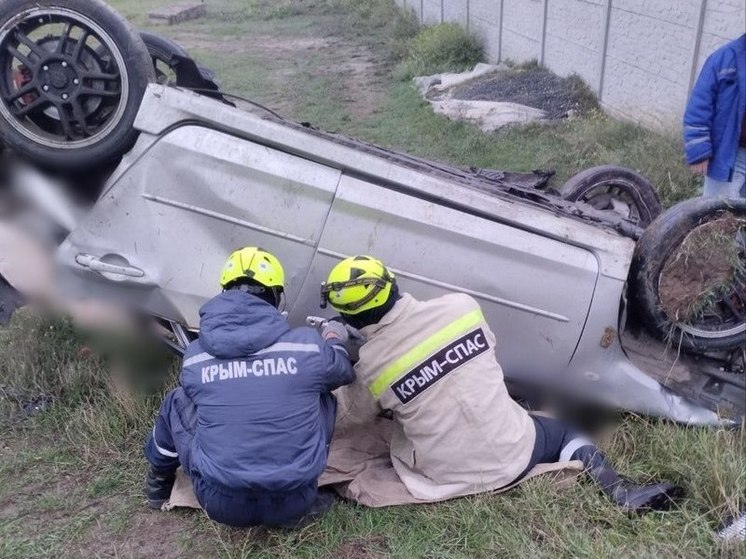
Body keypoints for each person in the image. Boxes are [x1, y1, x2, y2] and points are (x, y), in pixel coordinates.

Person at [320, 255, 685, 512]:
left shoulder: (370, 366)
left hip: (443, 474)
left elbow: (353, 416)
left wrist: (336, 345)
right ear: (394, 284)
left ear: (349, 317)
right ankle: (618, 490)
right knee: (561, 431)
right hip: (515, 455)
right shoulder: (462, 308)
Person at [144, 247, 355, 528]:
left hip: (218, 502)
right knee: (323, 395)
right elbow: (343, 370)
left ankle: (158, 483)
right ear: (277, 296)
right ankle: (299, 495)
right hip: (296, 500)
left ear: (223, 292)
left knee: (178, 400)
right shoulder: (306, 347)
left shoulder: (196, 356)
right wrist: (332, 334)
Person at [684, 34, 746, 198]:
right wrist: (699, 151)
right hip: (730, 156)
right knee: (718, 216)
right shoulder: (724, 58)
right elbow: (699, 106)